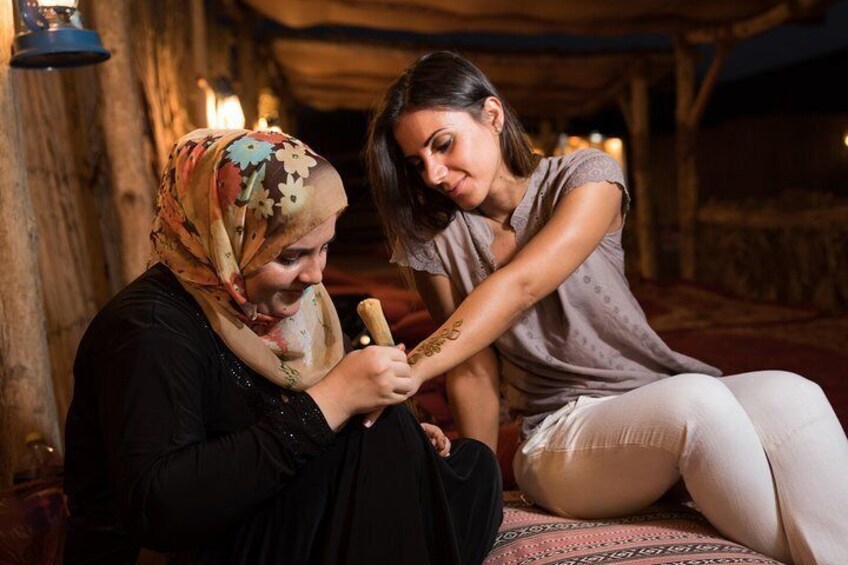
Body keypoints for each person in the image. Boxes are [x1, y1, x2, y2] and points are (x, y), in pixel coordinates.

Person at [365, 51, 848, 564]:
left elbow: (522, 284)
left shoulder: (586, 177)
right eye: (418, 163)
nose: (435, 174)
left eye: (443, 145)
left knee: (796, 393)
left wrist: (409, 369)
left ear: (492, 114)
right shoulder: (433, 236)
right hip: (559, 435)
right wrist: (476, 481)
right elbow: (471, 365)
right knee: (698, 404)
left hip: (653, 392)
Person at [63, 128, 502, 565]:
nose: (315, 275)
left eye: (324, 248)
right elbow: (161, 510)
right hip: (181, 550)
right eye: (289, 257)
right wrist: (334, 400)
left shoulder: (283, 311)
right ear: (226, 239)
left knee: (473, 468)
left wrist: (403, 439)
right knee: (375, 444)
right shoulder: (150, 328)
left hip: (264, 514)